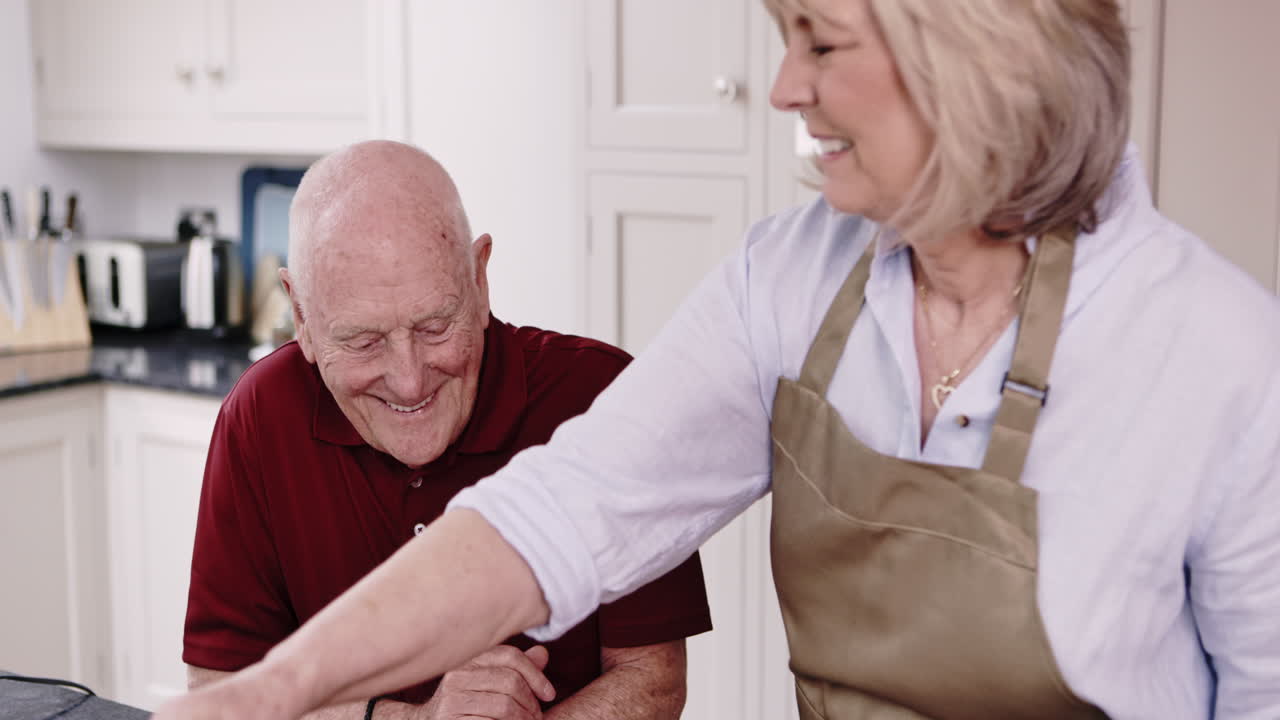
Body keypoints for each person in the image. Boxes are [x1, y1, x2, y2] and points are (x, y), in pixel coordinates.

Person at [156, 1, 1280, 718]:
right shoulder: (786, 280)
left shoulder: (1223, 361)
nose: (784, 86)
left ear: (968, 56)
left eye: (820, 41)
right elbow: (558, 515)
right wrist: (261, 699)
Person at [180, 140, 713, 720]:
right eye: (363, 341)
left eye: (436, 326)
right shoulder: (260, 415)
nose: (409, 383)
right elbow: (218, 690)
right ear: (301, 318)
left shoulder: (600, 397)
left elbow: (652, 680)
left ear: (479, 278)